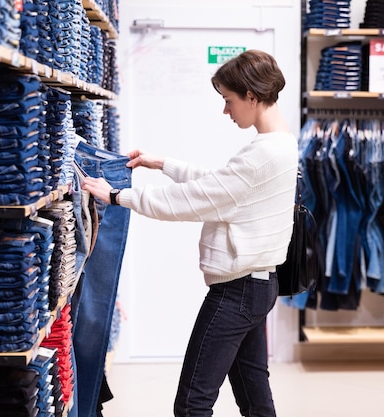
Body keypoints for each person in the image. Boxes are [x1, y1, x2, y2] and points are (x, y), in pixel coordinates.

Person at [81, 49, 298, 417]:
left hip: (238, 290)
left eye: (229, 101)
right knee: (255, 398)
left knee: (192, 403)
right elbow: (222, 187)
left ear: (252, 95)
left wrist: (119, 196)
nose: (226, 111)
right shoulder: (279, 144)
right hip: (258, 285)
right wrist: (163, 164)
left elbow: (197, 199)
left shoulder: (264, 154)